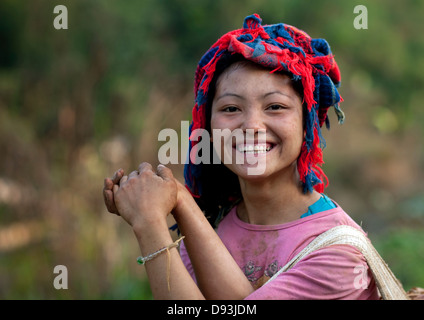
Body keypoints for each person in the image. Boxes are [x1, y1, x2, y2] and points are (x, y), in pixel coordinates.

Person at [103, 14, 379, 300]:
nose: (251, 126)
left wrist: (149, 225)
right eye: (231, 109)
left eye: (274, 106)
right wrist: (179, 199)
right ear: (206, 124)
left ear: (307, 122)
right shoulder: (209, 228)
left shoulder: (337, 254)